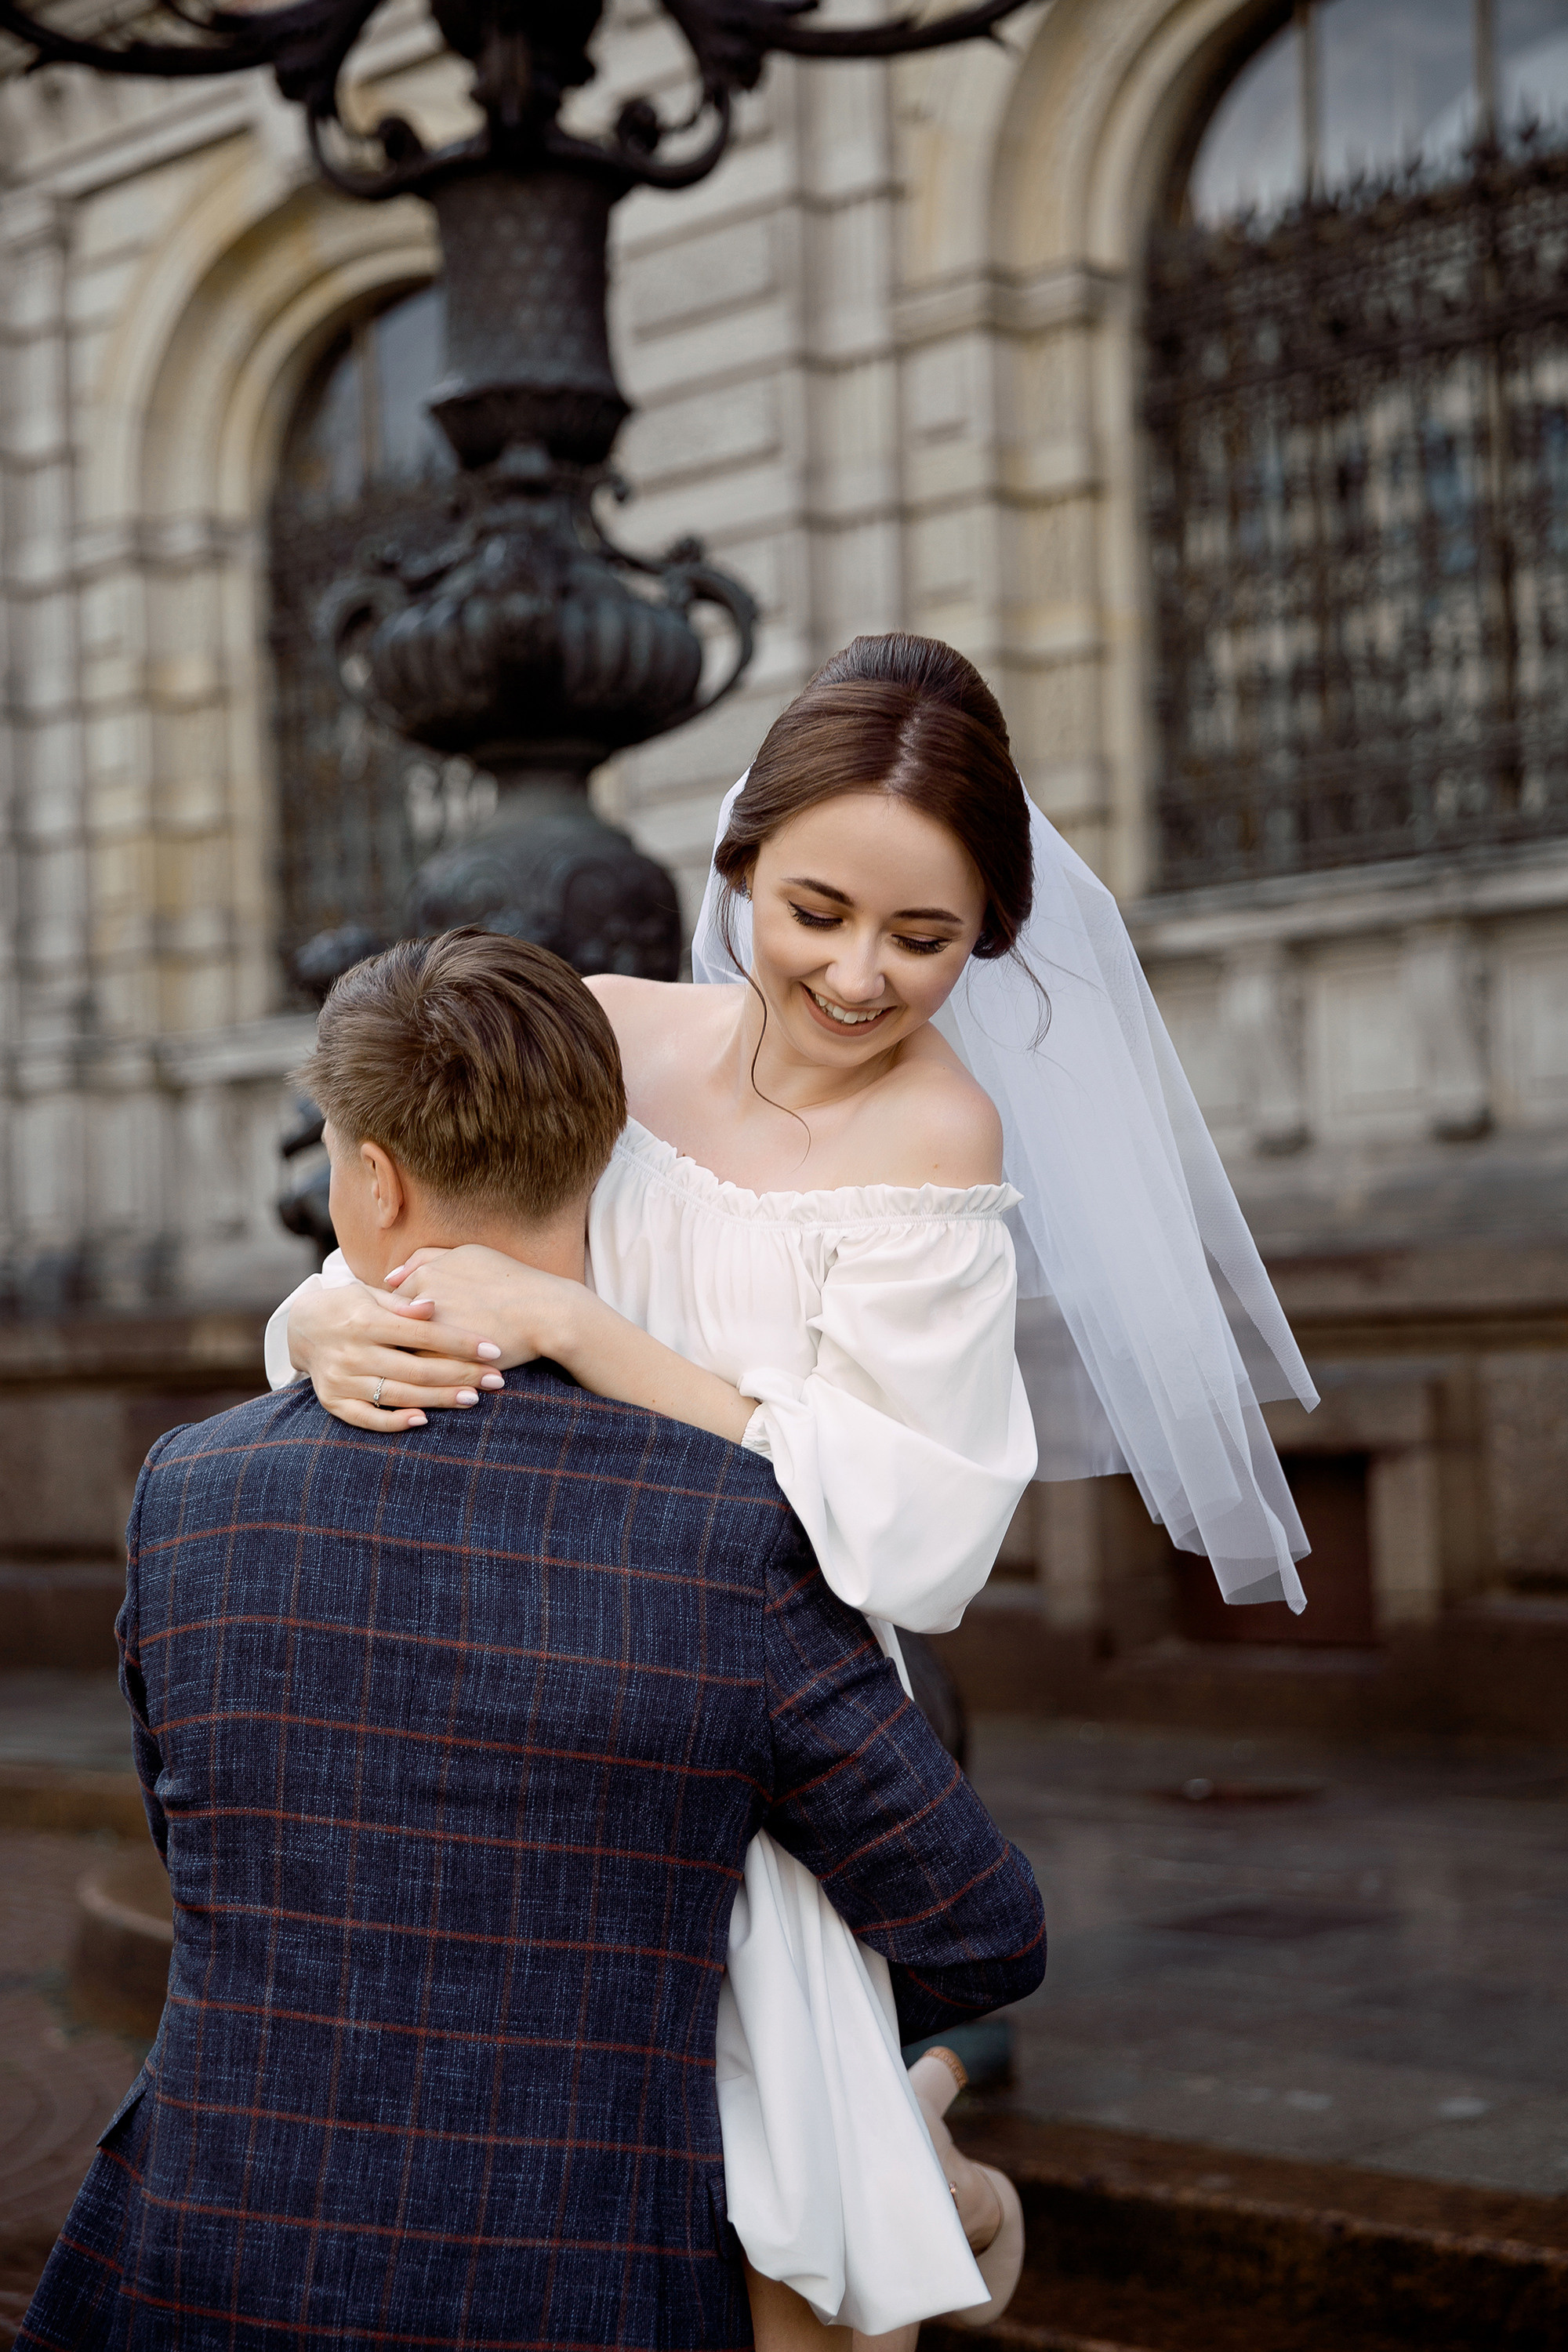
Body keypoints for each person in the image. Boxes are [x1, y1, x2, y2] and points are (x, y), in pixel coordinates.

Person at [266, 633, 1319, 2339]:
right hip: (545, 1705)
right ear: (738, 861)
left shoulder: (938, 1139)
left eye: (926, 940)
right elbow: (393, 1257)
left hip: (767, 1730)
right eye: (815, 909)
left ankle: (917, 2159)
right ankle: (927, 2150)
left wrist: (587, 1332)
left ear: (989, 937)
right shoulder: (603, 1031)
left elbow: (915, 1527)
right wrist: (321, 1327)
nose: (853, 976)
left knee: (801, 2278)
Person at [19, 931, 1046, 2352]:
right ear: (600, 1157)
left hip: (206, 2265)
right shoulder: (729, 1529)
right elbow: (980, 1928)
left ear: (366, 1181)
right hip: (590, 2288)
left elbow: (210, 1841)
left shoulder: (189, 1496)